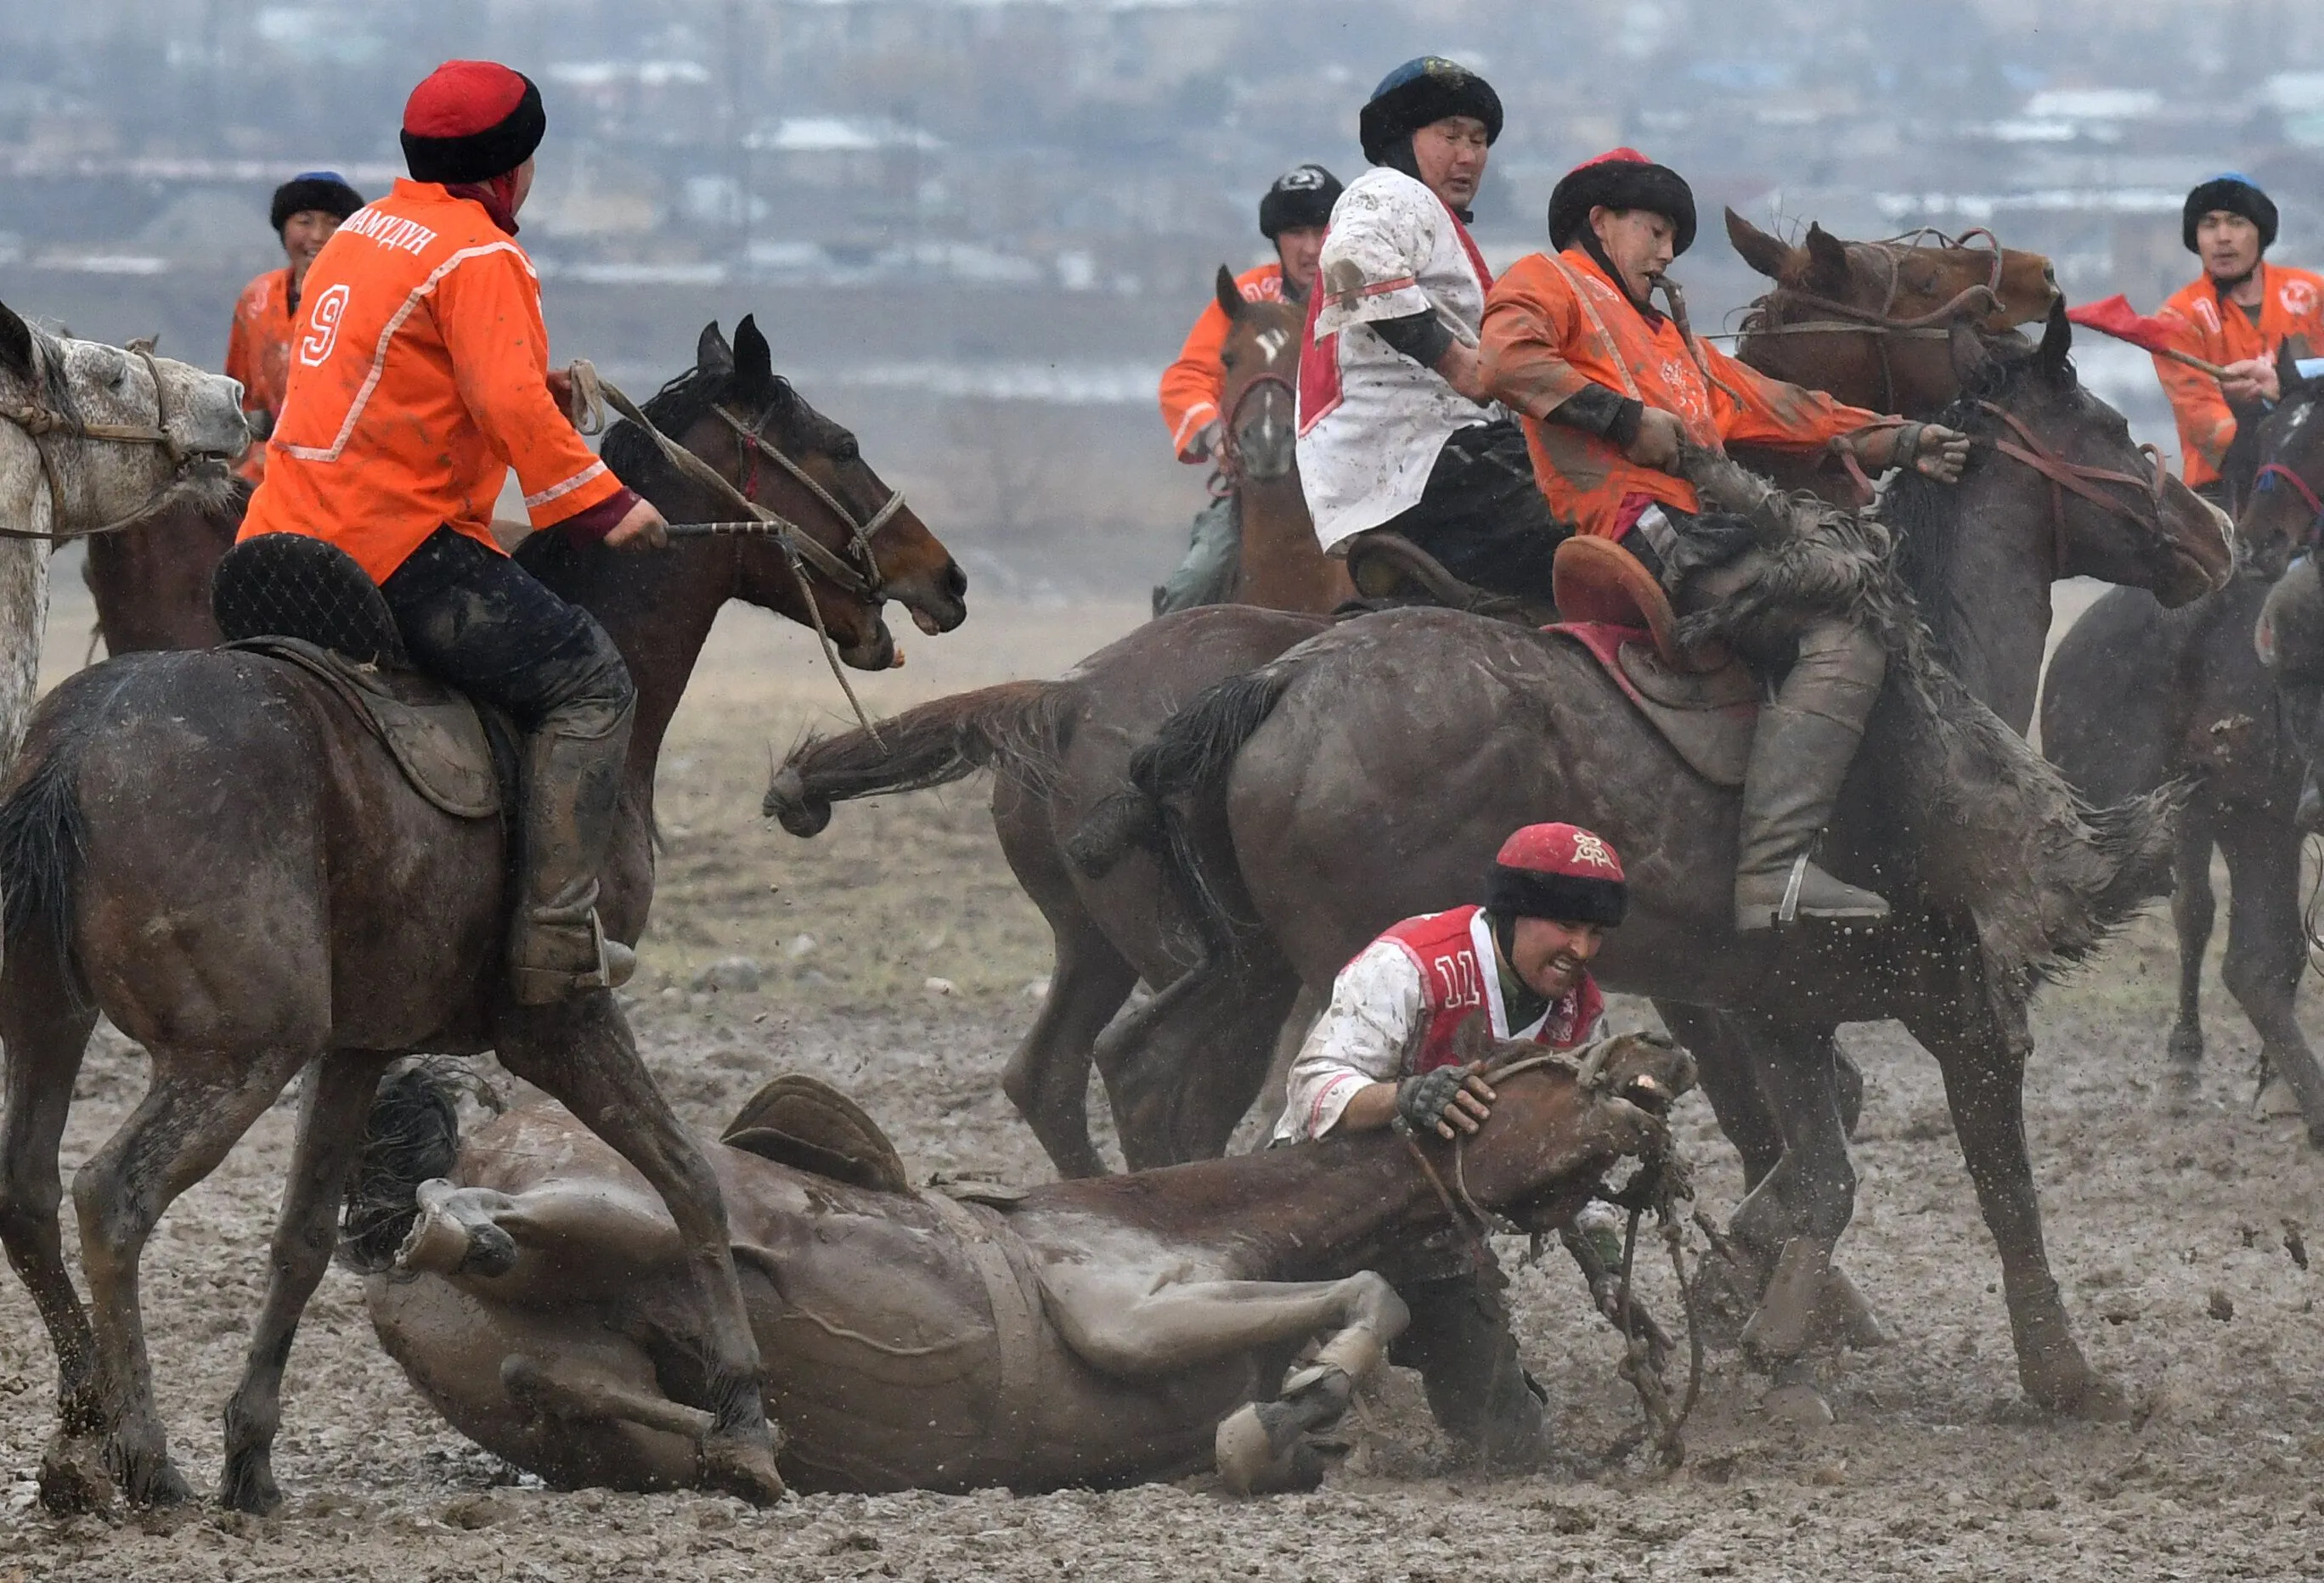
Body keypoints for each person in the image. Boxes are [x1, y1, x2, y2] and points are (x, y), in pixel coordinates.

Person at [240, 59, 671, 1004]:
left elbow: (397, 377)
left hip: (274, 539)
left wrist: (533, 392)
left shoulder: (361, 233)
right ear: (510, 169)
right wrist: (606, 503)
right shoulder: (481, 255)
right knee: (593, 681)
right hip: (389, 548)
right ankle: (558, 938)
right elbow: (507, 401)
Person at [1479, 149, 1971, 932]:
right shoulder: (1547, 281)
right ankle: (1774, 871)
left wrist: (1901, 438)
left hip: (1706, 530)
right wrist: (1624, 419)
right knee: (1848, 630)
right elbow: (1504, 361)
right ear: (1600, 222)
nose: (1668, 252)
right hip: (1639, 531)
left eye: (1674, 236)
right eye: (1656, 230)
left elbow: (1786, 406)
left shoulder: (1677, 348)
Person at [1272, 821, 1626, 1464]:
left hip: (1434, 1234)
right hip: (1313, 1203)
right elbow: (1312, 1088)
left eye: (1596, 933)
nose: (1582, 948)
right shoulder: (1411, 962)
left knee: (1511, 1448)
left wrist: (1607, 1264)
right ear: (1514, 912)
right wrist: (1403, 1097)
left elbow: (1571, 1161)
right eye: (1566, 925)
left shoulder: (1581, 1016)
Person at [1297, 57, 1569, 600]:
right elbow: (1350, 265)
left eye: (1480, 139)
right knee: (1615, 516)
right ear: (1403, 137)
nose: (1469, 155)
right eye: (1450, 136)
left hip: (1411, 467)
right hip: (1428, 463)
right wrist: (1455, 362)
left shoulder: (1428, 218)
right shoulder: (1388, 192)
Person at [1152, 162, 1341, 614]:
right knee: (1192, 588)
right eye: (1296, 233)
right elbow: (1187, 378)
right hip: (1256, 489)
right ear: (1277, 239)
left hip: (1357, 486)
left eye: (1322, 230)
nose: (1311, 248)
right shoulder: (1245, 298)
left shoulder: (1365, 296)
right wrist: (1218, 437)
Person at [2154, 172, 2324, 499]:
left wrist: (2285, 383)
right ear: (2196, 238)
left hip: (2314, 475)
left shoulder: (2312, 295)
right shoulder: (2178, 318)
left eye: (2237, 222)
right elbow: (2202, 417)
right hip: (2223, 484)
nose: (2223, 237)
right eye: (2209, 224)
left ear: (2260, 233)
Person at [224, 171, 364, 484]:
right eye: (305, 221)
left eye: (333, 223)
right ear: (284, 227)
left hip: (340, 466)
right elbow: (239, 392)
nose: (318, 235)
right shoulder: (256, 298)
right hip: (260, 464)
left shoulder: (365, 300)